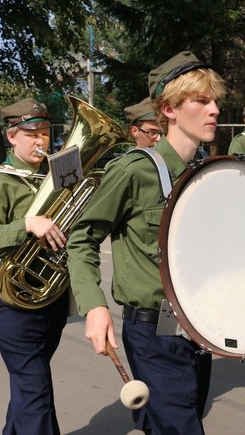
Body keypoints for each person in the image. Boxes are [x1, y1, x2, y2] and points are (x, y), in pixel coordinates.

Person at [66, 51, 225, 434]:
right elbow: (82, 237)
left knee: (175, 421)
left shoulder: (205, 171)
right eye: (201, 101)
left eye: (215, 100)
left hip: (198, 327)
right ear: (169, 109)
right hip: (153, 332)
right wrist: (94, 307)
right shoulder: (136, 170)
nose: (215, 109)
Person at [0, 98, 69, 434]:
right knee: (36, 390)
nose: (41, 140)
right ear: (12, 137)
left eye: (45, 132)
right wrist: (25, 224)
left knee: (30, 383)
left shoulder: (56, 176)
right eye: (32, 134)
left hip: (49, 295)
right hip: (13, 301)